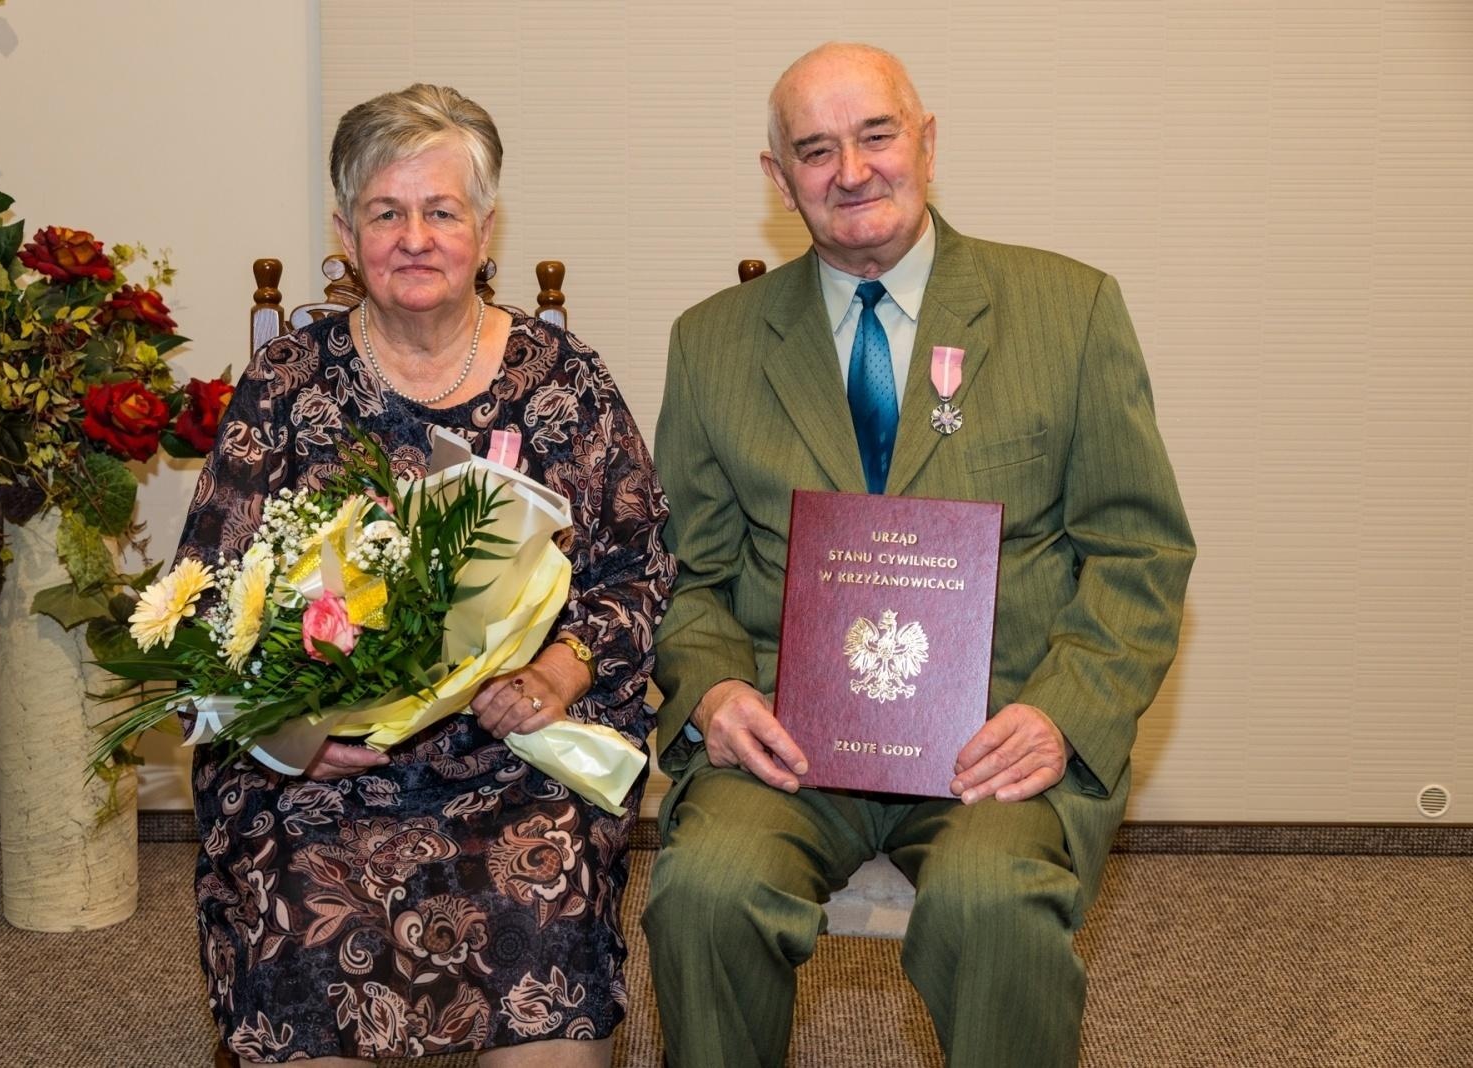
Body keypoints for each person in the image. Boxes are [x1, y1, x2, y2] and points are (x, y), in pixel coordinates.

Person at [643, 42, 1194, 1068]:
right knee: (702, 893)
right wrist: (714, 692)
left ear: (927, 144)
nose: (851, 171)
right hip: (788, 742)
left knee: (994, 906)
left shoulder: (1068, 311)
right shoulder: (711, 343)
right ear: (778, 179)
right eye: (815, 150)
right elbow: (687, 575)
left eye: (876, 136)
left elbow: (1139, 549)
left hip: (995, 739)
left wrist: (1061, 712)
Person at [175, 84, 674, 1067]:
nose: (414, 238)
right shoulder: (286, 386)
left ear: (485, 230)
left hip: (513, 746)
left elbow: (639, 568)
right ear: (344, 232)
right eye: (385, 213)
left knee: (544, 880)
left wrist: (556, 674)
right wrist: (286, 731)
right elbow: (208, 592)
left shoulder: (564, 381)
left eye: (441, 211)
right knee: (297, 875)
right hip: (327, 759)